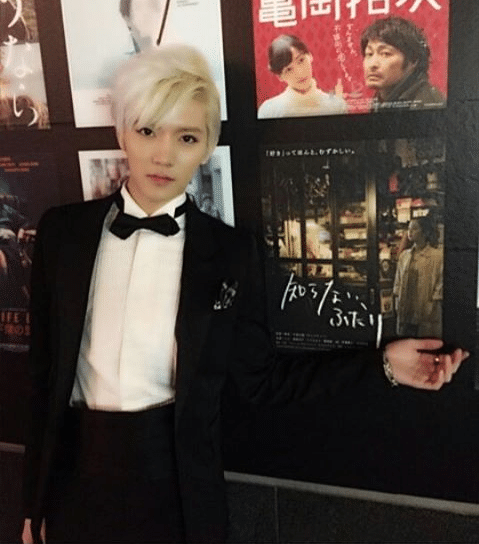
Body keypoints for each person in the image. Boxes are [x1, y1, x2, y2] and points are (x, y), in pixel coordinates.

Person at [22, 45, 467, 544]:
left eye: (186, 137)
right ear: (122, 131)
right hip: (73, 486)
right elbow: (44, 377)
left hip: (180, 491)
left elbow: (263, 381)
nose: (164, 154)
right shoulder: (62, 234)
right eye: (147, 130)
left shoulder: (230, 253)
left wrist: (382, 364)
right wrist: (32, 506)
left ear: (206, 146)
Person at [361, 16, 445, 111]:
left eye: (385, 54)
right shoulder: (381, 100)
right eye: (369, 54)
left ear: (413, 60)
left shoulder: (429, 102)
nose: (372, 64)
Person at [258, 34, 347, 118]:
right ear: (280, 76)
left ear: (310, 56)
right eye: (288, 69)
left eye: (301, 60)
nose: (299, 73)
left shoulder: (336, 106)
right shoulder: (269, 110)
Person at [393, 215, 443, 338]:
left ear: (425, 232)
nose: (410, 232)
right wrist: (397, 301)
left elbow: (440, 284)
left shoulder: (437, 256)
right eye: (409, 228)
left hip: (426, 312)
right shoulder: (405, 256)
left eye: (414, 228)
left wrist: (432, 304)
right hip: (406, 311)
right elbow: (398, 281)